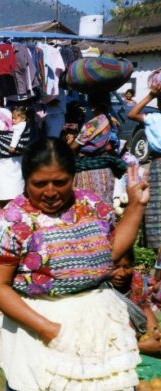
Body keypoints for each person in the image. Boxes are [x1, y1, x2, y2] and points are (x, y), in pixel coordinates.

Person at [0, 138, 147, 391]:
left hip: (99, 331)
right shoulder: (11, 221)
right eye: (40, 183)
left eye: (60, 181)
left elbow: (110, 253)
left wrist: (136, 207)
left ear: (74, 177)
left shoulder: (91, 205)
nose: (51, 191)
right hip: (40, 331)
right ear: (26, 180)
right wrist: (48, 329)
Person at [69, 92, 121, 205]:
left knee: (88, 205)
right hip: (106, 169)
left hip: (90, 168)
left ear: (93, 105)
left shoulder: (93, 124)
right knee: (104, 204)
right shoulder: (113, 122)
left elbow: (74, 146)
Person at [128, 86, 161, 253]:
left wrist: (151, 95)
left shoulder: (153, 118)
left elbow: (132, 114)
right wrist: (151, 95)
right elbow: (131, 114)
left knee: (156, 209)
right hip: (156, 166)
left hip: (157, 166)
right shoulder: (153, 118)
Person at [110, 249, 161, 356]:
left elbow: (143, 306)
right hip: (114, 347)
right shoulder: (96, 290)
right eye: (115, 267)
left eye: (127, 266)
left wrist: (154, 332)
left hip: (137, 337)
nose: (122, 273)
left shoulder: (135, 279)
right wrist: (141, 347)